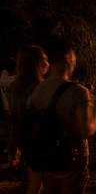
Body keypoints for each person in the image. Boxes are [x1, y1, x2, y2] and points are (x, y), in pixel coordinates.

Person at [26, 41, 96, 194]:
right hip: (71, 160)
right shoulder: (78, 92)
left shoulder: (37, 91)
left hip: (46, 159)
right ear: (68, 59)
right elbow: (85, 130)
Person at [8, 45, 49, 194]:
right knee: (38, 184)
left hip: (26, 142)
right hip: (42, 143)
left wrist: (13, 145)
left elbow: (14, 118)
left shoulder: (16, 87)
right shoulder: (42, 88)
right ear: (38, 63)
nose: (48, 63)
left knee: (34, 181)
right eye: (45, 59)